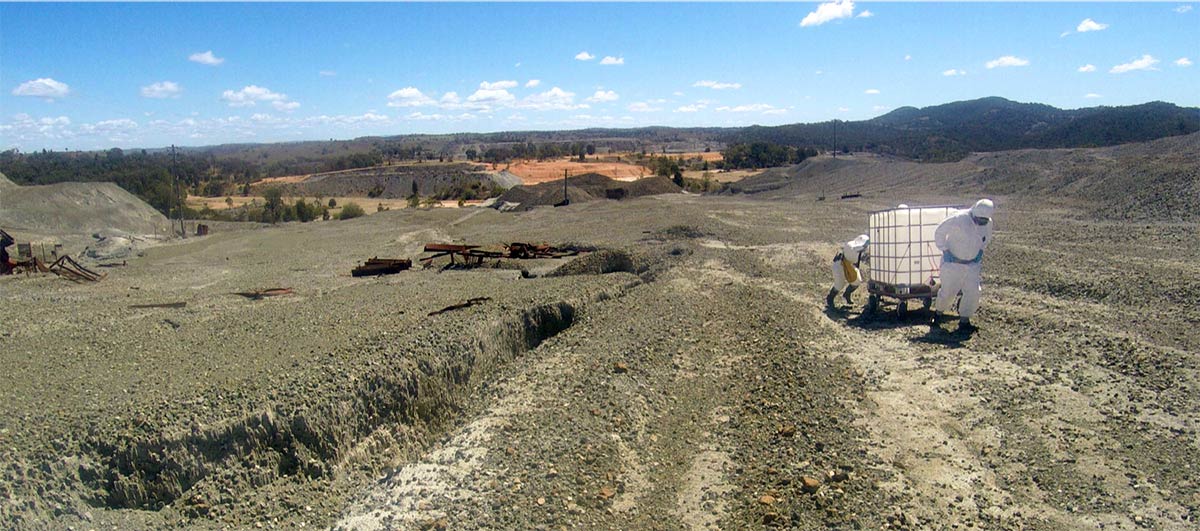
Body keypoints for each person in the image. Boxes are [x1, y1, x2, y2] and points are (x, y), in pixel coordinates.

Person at [933, 199, 994, 328]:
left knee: (973, 292)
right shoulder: (959, 218)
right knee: (948, 292)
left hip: (972, 265)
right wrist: (945, 250)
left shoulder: (988, 223)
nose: (981, 223)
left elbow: (986, 238)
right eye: (979, 220)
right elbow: (940, 231)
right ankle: (938, 313)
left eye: (984, 221)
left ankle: (965, 319)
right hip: (952, 265)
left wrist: (980, 251)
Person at [827, 234, 870, 307]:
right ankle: (830, 299)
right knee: (839, 284)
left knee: (857, 281)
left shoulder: (860, 246)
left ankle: (847, 295)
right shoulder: (850, 247)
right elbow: (859, 254)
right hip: (840, 264)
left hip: (850, 264)